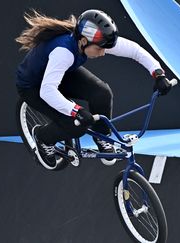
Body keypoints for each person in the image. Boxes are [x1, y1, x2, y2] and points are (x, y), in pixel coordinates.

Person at [15, 9, 172, 168]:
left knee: (102, 93)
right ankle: (43, 137)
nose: (103, 53)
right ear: (83, 41)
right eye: (99, 49)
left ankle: (102, 136)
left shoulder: (95, 40)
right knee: (75, 125)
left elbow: (135, 51)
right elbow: (47, 91)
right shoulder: (63, 52)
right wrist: (76, 111)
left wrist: (158, 74)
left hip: (61, 73)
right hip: (33, 86)